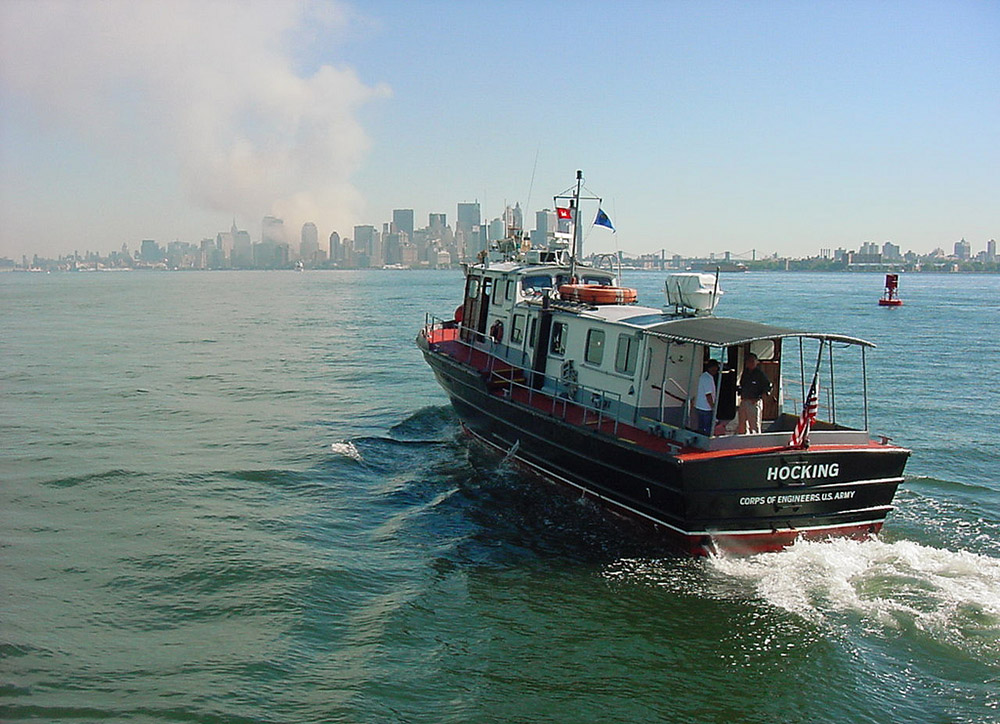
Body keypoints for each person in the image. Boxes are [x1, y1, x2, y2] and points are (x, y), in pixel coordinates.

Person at [737, 352, 772, 434]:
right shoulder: (745, 373)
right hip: (744, 401)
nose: (750, 363)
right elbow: (742, 384)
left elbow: (768, 387)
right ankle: (743, 442)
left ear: (756, 362)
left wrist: (759, 398)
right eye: (749, 361)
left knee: (754, 426)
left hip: (753, 402)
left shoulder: (760, 374)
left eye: (753, 361)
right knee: (742, 425)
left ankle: (756, 442)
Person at [694, 359, 720, 436]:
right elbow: (708, 395)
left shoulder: (703, 376)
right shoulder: (708, 378)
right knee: (708, 428)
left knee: (701, 428)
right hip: (706, 407)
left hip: (700, 406)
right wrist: (713, 407)